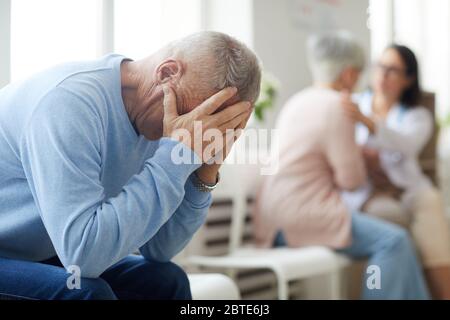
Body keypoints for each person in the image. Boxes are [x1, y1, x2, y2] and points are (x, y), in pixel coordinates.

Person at [0, 31, 261, 300]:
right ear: (167, 73)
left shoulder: (158, 120)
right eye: (193, 118)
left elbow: (160, 249)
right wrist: (173, 157)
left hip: (44, 251)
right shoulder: (69, 104)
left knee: (167, 281)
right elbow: (83, 257)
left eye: (210, 128)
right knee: (88, 295)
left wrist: (203, 175)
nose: (194, 135)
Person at [252, 31, 430, 299]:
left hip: (270, 220)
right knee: (394, 241)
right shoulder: (340, 106)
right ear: (348, 74)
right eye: (358, 73)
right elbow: (353, 181)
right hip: (302, 217)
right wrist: (361, 159)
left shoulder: (296, 101)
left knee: (394, 239)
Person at [341, 44, 450, 299]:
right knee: (395, 228)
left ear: (408, 79)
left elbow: (406, 145)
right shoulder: (355, 105)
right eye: (381, 66)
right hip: (370, 193)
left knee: (431, 203)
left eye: (393, 70)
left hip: (407, 189)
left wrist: (368, 123)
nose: (383, 75)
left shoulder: (418, 115)